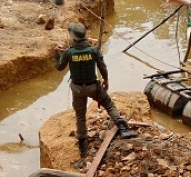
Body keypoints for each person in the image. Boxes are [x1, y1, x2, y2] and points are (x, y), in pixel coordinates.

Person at [55, 21, 136, 159]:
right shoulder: (93, 50)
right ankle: (123, 128)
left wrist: (57, 54)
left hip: (77, 89)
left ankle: (83, 144)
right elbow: (102, 67)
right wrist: (106, 79)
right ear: (84, 37)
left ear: (73, 38)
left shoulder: (68, 53)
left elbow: (59, 67)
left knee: (80, 116)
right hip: (93, 87)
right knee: (109, 104)